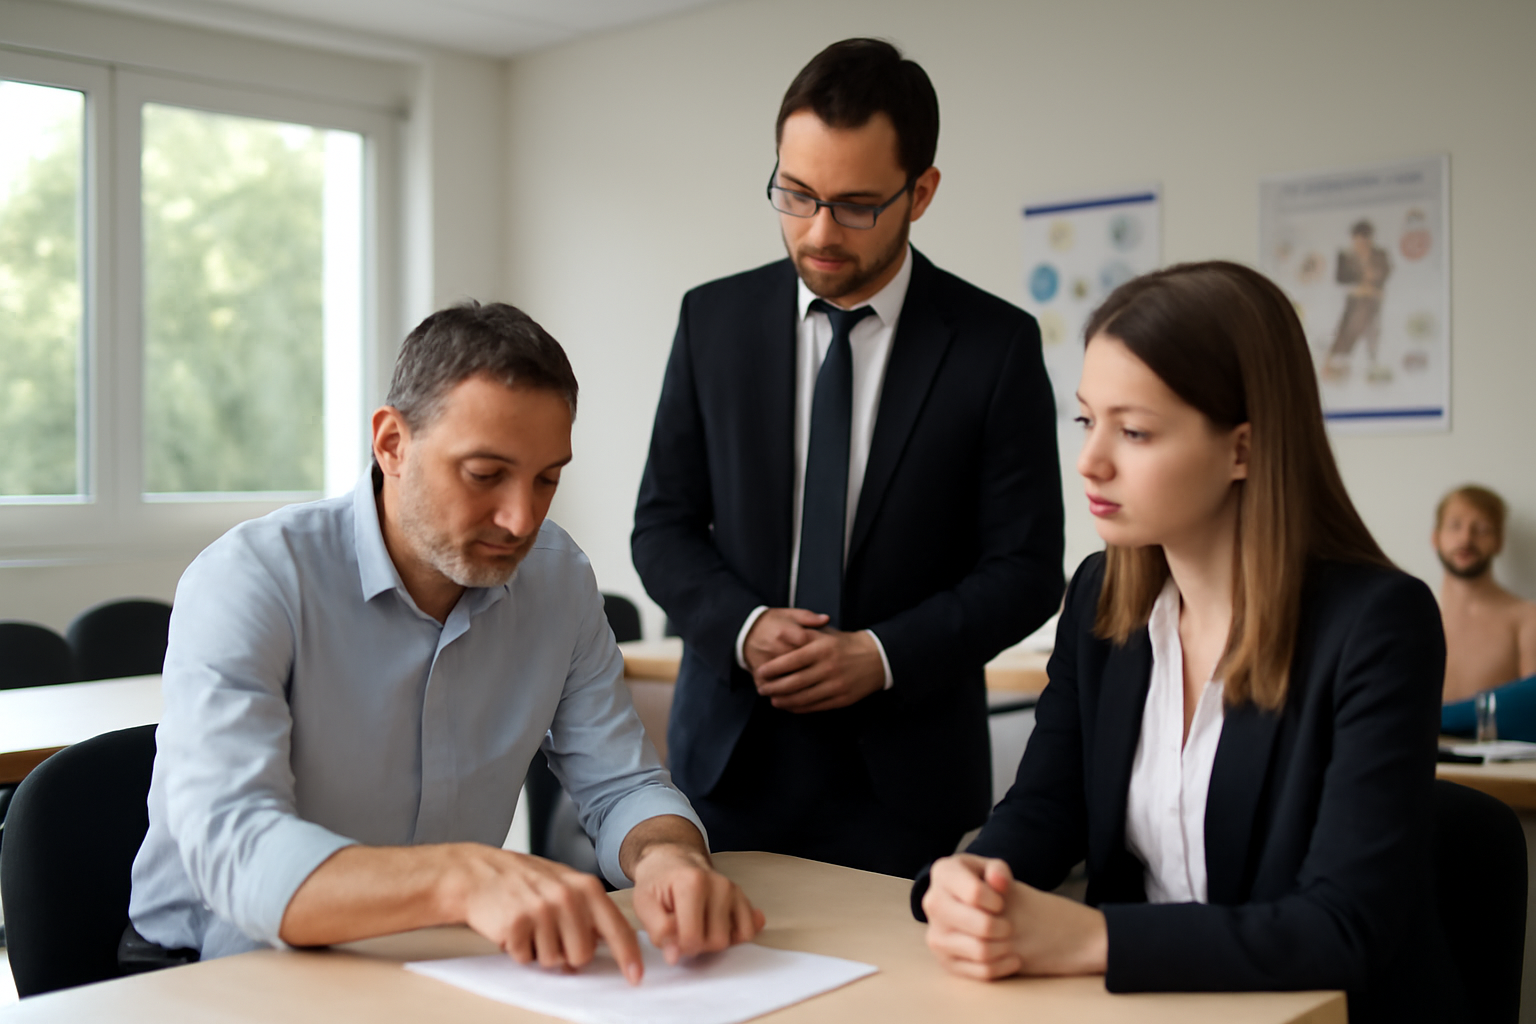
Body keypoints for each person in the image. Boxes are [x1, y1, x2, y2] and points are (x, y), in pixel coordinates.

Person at [128, 302, 762, 981]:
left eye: (547, 478)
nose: (521, 519)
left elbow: (623, 785)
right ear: (392, 444)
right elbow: (237, 858)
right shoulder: (253, 578)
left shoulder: (558, 579)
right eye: (485, 474)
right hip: (211, 971)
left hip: (438, 963)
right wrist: (461, 879)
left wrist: (668, 857)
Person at [915, 262, 1447, 1023]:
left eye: (1133, 431)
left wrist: (1092, 938)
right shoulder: (1100, 597)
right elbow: (1044, 808)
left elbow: (1341, 927)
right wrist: (970, 877)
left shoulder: (1378, 625)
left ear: (1243, 450)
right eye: (1086, 420)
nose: (1091, 462)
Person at [631, 38, 1064, 878]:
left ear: (922, 192)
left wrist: (883, 654)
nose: (819, 232)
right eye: (795, 195)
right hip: (726, 765)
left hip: (905, 783)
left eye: (857, 205)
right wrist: (746, 628)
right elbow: (663, 526)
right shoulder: (711, 321)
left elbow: (1025, 568)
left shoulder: (995, 345)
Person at [1433, 485, 1536, 740]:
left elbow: (1530, 709)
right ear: (1435, 537)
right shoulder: (1407, 618)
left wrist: (1434, 721)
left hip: (1496, 775)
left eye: (1481, 529)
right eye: (1455, 525)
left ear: (1499, 541)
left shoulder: (1527, 618)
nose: (1466, 538)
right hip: (1414, 765)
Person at [1323, 219, 1392, 383]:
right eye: (1358, 238)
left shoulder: (1379, 255)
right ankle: (1337, 363)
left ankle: (1369, 365)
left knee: (1370, 329)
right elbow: (1341, 281)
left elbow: (1384, 277)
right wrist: (1360, 287)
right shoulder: (1345, 256)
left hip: (1374, 302)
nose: (1361, 242)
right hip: (1353, 302)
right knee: (1349, 327)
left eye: (1365, 238)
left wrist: (1372, 288)